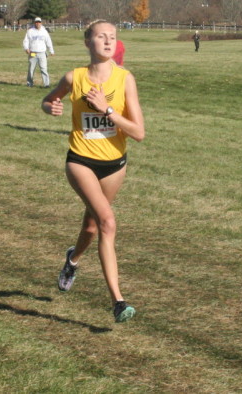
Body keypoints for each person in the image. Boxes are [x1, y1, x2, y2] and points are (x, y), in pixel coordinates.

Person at [41, 20, 145, 323]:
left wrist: (107, 110)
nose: (108, 41)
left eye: (113, 37)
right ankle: (118, 301)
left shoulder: (125, 80)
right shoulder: (75, 78)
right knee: (108, 222)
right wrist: (51, 107)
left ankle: (72, 260)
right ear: (88, 42)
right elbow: (49, 100)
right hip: (81, 161)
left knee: (91, 227)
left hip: (114, 165)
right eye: (101, 36)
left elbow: (138, 132)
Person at [23, 17, 54, 87]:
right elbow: (26, 41)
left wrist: (51, 50)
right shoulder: (30, 31)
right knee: (31, 69)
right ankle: (29, 83)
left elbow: (48, 41)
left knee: (44, 69)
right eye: (36, 22)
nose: (37, 23)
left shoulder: (44, 31)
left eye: (39, 22)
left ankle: (46, 84)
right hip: (33, 53)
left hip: (42, 53)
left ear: (41, 23)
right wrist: (26, 48)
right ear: (34, 23)